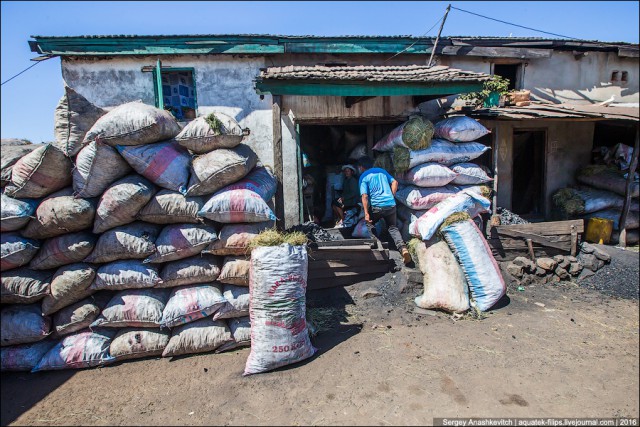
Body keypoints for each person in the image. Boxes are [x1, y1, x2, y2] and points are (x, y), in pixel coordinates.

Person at [356, 156, 412, 265]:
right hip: (390, 205)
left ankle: (378, 245)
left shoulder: (364, 177)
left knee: (370, 224)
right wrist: (391, 196)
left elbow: (364, 196)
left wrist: (366, 214)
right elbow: (395, 182)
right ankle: (403, 249)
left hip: (376, 207)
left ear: (362, 167)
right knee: (393, 228)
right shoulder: (382, 171)